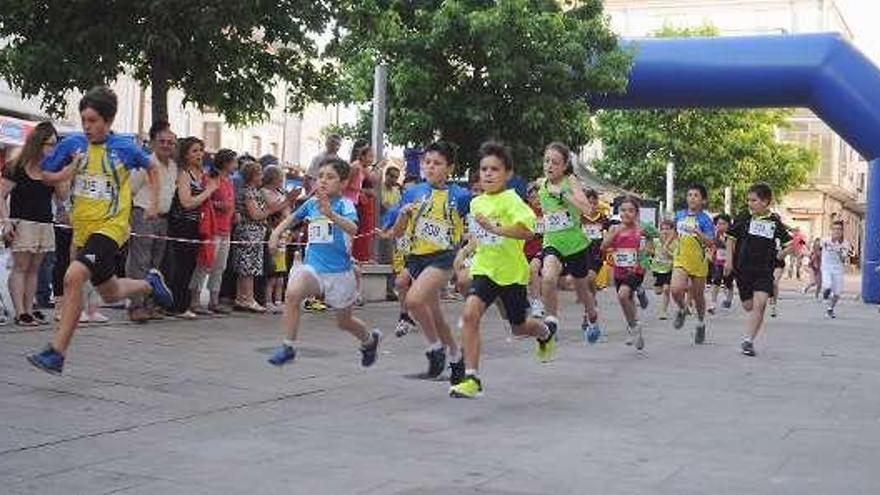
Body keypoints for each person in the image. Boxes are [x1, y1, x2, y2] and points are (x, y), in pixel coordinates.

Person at [27, 86, 173, 374]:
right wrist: (67, 173)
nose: (87, 126)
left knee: (73, 276)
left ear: (108, 121)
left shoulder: (126, 147)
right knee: (111, 292)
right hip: (84, 230)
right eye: (84, 120)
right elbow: (45, 175)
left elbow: (152, 168)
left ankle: (57, 352)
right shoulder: (73, 145)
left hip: (111, 227)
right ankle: (150, 284)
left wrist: (154, 202)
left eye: (93, 120)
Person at [449, 142, 556, 399]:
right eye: (484, 169)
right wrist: (464, 252)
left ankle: (545, 332)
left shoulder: (512, 201)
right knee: (471, 314)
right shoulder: (476, 204)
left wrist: (497, 229)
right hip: (485, 269)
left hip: (511, 274)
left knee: (519, 327)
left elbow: (528, 231)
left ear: (507, 174)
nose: (487, 174)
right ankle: (472, 378)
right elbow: (479, 236)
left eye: (494, 169)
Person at [266, 157, 381, 367]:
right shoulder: (311, 203)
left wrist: (332, 214)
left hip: (339, 273)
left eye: (330, 177)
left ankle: (369, 340)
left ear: (344, 183)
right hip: (313, 269)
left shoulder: (345, 205)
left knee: (344, 322)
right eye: (320, 177)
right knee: (292, 294)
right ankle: (288, 346)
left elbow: (353, 229)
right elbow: (291, 219)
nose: (323, 181)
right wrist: (275, 234)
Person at [384, 141, 470, 379]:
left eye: (437, 163)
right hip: (416, 259)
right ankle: (455, 356)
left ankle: (434, 349)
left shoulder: (460, 196)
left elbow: (474, 223)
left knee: (413, 300)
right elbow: (399, 232)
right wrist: (402, 215)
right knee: (436, 314)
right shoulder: (412, 192)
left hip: (443, 258)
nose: (430, 167)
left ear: (449, 168)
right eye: (427, 162)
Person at [0, 122, 62, 326]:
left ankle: (28, 308)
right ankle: (20, 311)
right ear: (38, 143)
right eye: (50, 144)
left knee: (35, 269)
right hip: (22, 222)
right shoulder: (17, 166)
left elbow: (62, 196)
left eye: (55, 144)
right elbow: (1, 195)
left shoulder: (51, 168)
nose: (53, 148)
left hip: (44, 222)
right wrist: (6, 221)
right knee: (21, 267)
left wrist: (63, 174)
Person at [535, 142, 597, 343]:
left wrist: (563, 194)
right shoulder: (541, 184)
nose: (549, 166)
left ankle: (592, 315)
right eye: (546, 161)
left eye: (555, 162)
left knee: (581, 290)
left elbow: (587, 209)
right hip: (552, 242)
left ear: (564, 166)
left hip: (575, 245)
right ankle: (551, 321)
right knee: (548, 277)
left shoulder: (570, 181)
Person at [724, 182, 793, 357]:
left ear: (765, 202)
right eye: (748, 200)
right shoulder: (743, 217)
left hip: (764, 270)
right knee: (749, 306)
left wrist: (786, 251)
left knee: (760, 304)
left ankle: (748, 341)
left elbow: (787, 247)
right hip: (743, 269)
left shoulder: (774, 223)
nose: (750, 203)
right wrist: (729, 261)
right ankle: (750, 332)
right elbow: (731, 239)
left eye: (753, 200)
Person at [126, 120, 178, 322]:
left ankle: (150, 304)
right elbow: (130, 190)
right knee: (140, 262)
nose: (166, 145)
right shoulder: (144, 163)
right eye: (162, 141)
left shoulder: (173, 166)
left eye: (170, 142)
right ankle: (136, 305)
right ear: (154, 143)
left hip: (163, 218)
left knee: (155, 265)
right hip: (143, 215)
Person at [164, 137, 217, 318]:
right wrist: (208, 191)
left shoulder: (201, 175)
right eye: (194, 151)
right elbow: (186, 202)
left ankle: (184, 303)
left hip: (197, 225)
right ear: (185, 154)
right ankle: (177, 306)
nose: (199, 154)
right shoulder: (184, 174)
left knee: (191, 265)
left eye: (201, 150)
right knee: (181, 265)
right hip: (182, 224)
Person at [233, 161, 292, 312]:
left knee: (246, 266)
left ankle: (241, 298)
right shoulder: (250, 192)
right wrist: (270, 211)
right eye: (259, 173)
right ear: (252, 176)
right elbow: (256, 214)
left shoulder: (253, 191)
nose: (262, 177)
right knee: (249, 267)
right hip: (249, 232)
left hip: (253, 232)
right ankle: (249, 299)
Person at [188, 149, 237, 314]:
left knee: (220, 266)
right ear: (225, 163)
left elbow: (230, 201)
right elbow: (205, 198)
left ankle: (214, 300)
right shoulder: (211, 179)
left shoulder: (229, 181)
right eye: (233, 162)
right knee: (205, 263)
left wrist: (233, 212)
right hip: (213, 227)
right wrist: (218, 205)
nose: (235, 165)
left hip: (226, 228)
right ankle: (194, 299)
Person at [601, 196, 649, 350]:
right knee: (626, 299)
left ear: (636, 213)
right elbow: (603, 246)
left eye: (630, 210)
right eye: (623, 210)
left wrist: (646, 251)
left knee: (622, 295)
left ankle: (633, 326)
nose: (626, 213)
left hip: (636, 269)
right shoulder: (614, 228)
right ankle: (634, 326)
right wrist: (615, 234)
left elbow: (652, 240)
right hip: (619, 270)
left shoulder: (641, 228)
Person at [671, 184, 715, 344]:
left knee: (698, 297)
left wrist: (698, 232)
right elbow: (675, 233)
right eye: (689, 195)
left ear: (703, 200)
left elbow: (710, 242)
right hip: (681, 258)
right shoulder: (680, 215)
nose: (692, 198)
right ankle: (683, 309)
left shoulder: (705, 219)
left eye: (696, 195)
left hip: (699, 261)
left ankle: (701, 323)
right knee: (675, 290)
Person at [261, 165, 292, 313]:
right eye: (280, 177)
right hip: (273, 232)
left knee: (281, 273)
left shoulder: (280, 192)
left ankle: (279, 300)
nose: (282, 180)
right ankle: (268, 300)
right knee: (272, 272)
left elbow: (287, 210)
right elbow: (274, 208)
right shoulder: (265, 192)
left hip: (284, 234)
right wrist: (287, 201)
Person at [820, 220, 851, 319]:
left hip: (838, 269)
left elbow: (843, 259)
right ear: (831, 230)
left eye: (839, 229)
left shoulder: (845, 244)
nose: (837, 231)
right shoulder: (825, 240)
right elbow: (819, 249)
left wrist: (838, 251)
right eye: (835, 229)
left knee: (837, 293)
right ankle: (825, 295)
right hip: (826, 267)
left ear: (842, 231)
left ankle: (830, 309)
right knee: (828, 285)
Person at [707, 213, 734, 314]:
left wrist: (726, 242)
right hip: (718, 261)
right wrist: (711, 253)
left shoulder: (732, 235)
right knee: (716, 280)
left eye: (723, 224)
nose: (720, 226)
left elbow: (735, 249)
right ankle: (712, 304)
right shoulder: (716, 234)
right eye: (718, 224)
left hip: (730, 262)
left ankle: (729, 298)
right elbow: (714, 245)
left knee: (728, 282)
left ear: (728, 224)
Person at [651, 218, 677, 320]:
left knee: (666, 289)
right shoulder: (656, 241)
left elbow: (676, 257)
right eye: (663, 229)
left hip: (670, 269)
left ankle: (663, 311)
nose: (665, 231)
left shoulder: (675, 243)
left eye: (668, 229)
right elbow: (650, 250)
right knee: (658, 291)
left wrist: (668, 251)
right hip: (658, 269)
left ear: (673, 230)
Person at [524, 183, 544, 317]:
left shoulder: (549, 211)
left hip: (543, 248)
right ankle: (533, 300)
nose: (536, 200)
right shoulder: (524, 212)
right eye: (532, 197)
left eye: (538, 197)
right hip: (524, 249)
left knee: (534, 269)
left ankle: (536, 303)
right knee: (527, 277)